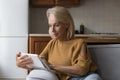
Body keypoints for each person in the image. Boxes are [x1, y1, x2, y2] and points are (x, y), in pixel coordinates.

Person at [16, 6, 102, 80]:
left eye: (56, 25)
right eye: (50, 26)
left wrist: (53, 67)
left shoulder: (79, 43)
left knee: (94, 78)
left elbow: (81, 70)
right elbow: (40, 63)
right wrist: (23, 64)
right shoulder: (52, 43)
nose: (52, 30)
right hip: (57, 78)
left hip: (80, 78)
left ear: (67, 25)